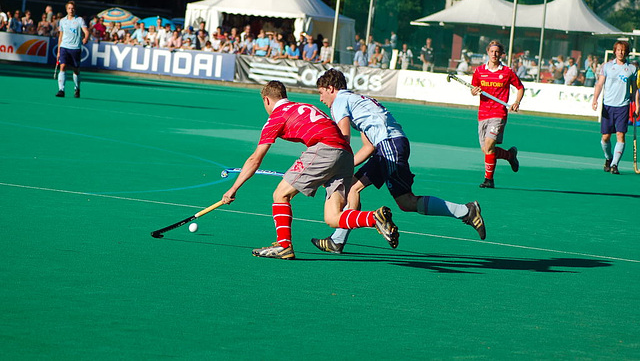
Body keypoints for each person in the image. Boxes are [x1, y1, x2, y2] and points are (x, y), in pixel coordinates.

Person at [310, 69, 486, 254]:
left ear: (330, 88)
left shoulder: (339, 101)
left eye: (321, 93)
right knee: (363, 189)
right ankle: (337, 241)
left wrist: (332, 169)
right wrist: (344, 170)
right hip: (389, 145)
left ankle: (466, 211)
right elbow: (368, 147)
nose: (321, 99)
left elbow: (343, 139)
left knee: (399, 199)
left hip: (389, 145)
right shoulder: (356, 100)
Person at [221, 81, 399, 259]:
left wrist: (233, 189)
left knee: (281, 194)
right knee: (333, 217)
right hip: (345, 154)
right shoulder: (303, 106)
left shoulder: (276, 117)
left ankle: (284, 246)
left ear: (266, 100)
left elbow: (255, 159)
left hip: (324, 149)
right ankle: (373, 217)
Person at [471, 40, 524, 188]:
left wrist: (516, 102)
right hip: (483, 113)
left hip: (498, 114)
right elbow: (474, 88)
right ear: (487, 52)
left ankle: (489, 180)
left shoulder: (507, 72)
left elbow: (520, 87)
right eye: (492, 51)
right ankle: (509, 155)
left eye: (497, 52)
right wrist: (474, 91)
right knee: (487, 150)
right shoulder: (479, 71)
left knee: (488, 146)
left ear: (501, 54)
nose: (494, 54)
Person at [592, 40, 639, 174]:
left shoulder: (632, 69)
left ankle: (614, 165)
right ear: (615, 51)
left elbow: (635, 89)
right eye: (618, 50)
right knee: (605, 137)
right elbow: (600, 84)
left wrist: (637, 105)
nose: (621, 52)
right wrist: (595, 99)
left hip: (623, 106)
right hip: (608, 105)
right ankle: (608, 158)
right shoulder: (606, 66)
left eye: (623, 50)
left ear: (627, 52)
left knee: (620, 135)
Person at [55, 0, 89, 98]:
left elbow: (86, 31)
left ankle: (77, 88)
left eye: (73, 8)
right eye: (69, 8)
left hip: (75, 48)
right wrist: (58, 51)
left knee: (76, 70)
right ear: (66, 10)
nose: (71, 10)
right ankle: (61, 89)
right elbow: (60, 36)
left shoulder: (79, 20)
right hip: (64, 47)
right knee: (63, 66)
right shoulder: (62, 21)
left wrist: (86, 38)